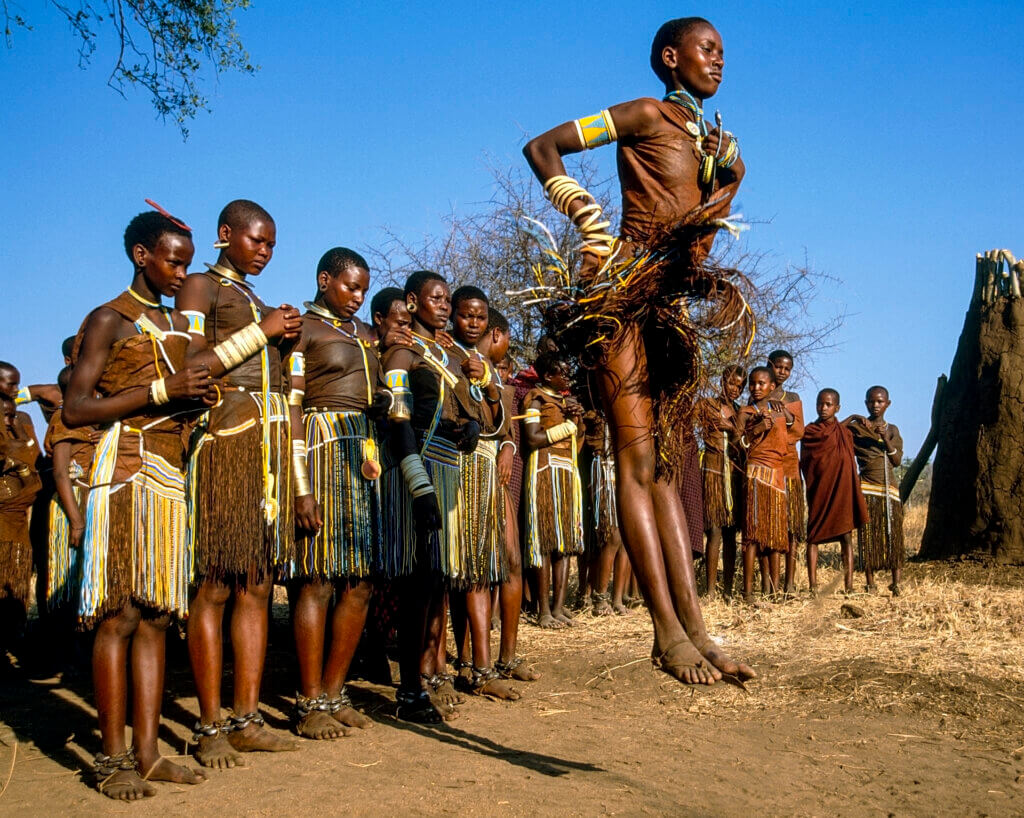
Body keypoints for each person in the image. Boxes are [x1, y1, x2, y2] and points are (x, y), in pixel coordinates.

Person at [522, 16, 754, 682]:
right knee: (635, 464)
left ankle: (698, 632)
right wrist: (591, 228)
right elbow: (543, 147)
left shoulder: (713, 141)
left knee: (660, 474)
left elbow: (733, 175)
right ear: (669, 56)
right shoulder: (646, 113)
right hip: (619, 299)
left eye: (723, 51)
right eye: (707, 49)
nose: (718, 61)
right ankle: (664, 633)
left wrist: (723, 177)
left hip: (665, 306)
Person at [62, 208, 211, 799]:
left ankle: (148, 753)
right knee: (119, 615)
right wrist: (158, 391)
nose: (181, 273)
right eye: (172, 260)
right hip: (123, 472)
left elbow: (182, 394)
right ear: (141, 256)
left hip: (170, 475)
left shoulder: (178, 325)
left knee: (155, 617)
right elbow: (75, 408)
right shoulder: (108, 319)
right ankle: (110, 757)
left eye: (187, 263)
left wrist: (193, 397)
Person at [175, 199, 302, 767]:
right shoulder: (200, 287)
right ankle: (208, 726)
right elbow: (192, 364)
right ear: (225, 234)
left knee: (257, 581)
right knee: (217, 583)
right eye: (257, 241)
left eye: (272, 245)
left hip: (268, 447)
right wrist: (262, 331)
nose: (265, 252)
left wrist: (282, 341)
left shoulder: (251, 298)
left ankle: (246, 718)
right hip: (226, 439)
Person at [287, 248, 387, 739]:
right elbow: (291, 407)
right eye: (350, 287)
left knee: (361, 581)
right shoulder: (303, 329)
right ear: (324, 280)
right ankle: (308, 703)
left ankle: (334, 692)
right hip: (322, 450)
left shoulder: (368, 334)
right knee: (317, 578)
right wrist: (301, 488)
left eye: (364, 290)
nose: (358, 297)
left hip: (364, 457)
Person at [381, 270, 480, 722]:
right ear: (413, 301)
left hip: (447, 468)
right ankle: (409, 692)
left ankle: (424, 680)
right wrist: (417, 486)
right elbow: (398, 421)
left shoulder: (450, 356)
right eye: (434, 298)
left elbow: (458, 411)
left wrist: (470, 427)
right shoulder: (403, 352)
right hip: (415, 466)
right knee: (417, 583)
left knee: (436, 582)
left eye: (446, 299)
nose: (443, 305)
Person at [444, 286, 518, 700]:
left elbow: (500, 423)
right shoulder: (444, 355)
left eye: (480, 317)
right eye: (466, 315)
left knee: (482, 568)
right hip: (453, 469)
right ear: (453, 315)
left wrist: (489, 383)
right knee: (457, 571)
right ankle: (457, 670)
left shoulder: (488, 366)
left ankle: (480, 666)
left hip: (484, 473)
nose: (473, 323)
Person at [478, 308, 539, 681]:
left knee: (511, 561)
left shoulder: (500, 380)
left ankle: (508, 657)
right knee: (474, 571)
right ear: (497, 334)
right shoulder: (460, 362)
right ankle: (474, 662)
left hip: (497, 477)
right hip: (468, 474)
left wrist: (507, 449)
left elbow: (506, 433)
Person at [521, 352, 584, 628]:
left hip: (568, 473)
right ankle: (543, 611)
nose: (568, 376)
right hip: (544, 472)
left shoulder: (568, 403)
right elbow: (533, 438)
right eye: (563, 372)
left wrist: (577, 423)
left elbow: (577, 444)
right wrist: (567, 426)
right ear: (548, 375)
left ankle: (559, 607)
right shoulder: (536, 398)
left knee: (565, 544)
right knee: (545, 542)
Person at [799, 389, 867, 594]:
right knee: (813, 536)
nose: (823, 408)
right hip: (820, 489)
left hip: (843, 490)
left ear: (837, 408)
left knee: (846, 536)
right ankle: (812, 586)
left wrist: (856, 419)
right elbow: (808, 463)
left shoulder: (845, 433)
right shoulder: (810, 432)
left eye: (828, 404)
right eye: (820, 404)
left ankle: (849, 585)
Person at [736, 367, 792, 600]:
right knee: (753, 534)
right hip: (756, 473)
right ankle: (748, 592)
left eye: (761, 384)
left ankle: (773, 590)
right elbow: (737, 443)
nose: (756, 388)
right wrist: (756, 430)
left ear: (772, 387)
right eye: (753, 384)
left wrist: (785, 416)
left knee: (775, 534)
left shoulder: (780, 413)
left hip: (777, 474)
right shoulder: (746, 412)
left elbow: (792, 432)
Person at [44, 365, 95, 611]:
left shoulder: (89, 418)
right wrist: (76, 521)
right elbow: (61, 472)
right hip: (73, 503)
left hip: (88, 499)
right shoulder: (64, 417)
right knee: (70, 583)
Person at [846, 386, 904, 596]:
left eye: (880, 401)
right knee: (868, 535)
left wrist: (885, 439)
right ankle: (870, 583)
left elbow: (896, 461)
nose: (875, 405)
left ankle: (896, 582)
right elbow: (836, 431)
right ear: (866, 404)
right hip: (868, 487)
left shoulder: (893, 429)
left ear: (888, 404)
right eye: (871, 402)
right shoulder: (857, 429)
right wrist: (853, 417)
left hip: (890, 489)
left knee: (894, 535)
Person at [697, 365, 745, 599]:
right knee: (714, 530)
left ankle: (727, 589)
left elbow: (742, 440)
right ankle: (709, 591)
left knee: (730, 533)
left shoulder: (741, 412)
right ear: (722, 381)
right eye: (731, 383)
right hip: (713, 469)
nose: (734, 389)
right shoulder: (707, 404)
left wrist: (732, 426)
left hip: (734, 473)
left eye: (739, 386)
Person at [0, 392, 42, 653]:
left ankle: (6, 646)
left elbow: (33, 486)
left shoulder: (19, 440)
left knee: (14, 589)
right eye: (5, 416)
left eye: (13, 416)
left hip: (15, 531)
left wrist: (19, 463)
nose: (9, 421)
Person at [767, 350, 805, 595]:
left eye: (787, 368)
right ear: (769, 365)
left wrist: (787, 414)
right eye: (779, 367)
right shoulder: (759, 391)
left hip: (790, 465)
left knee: (791, 527)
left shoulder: (792, 397)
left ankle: (790, 584)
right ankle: (771, 584)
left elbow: (798, 431)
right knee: (771, 527)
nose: (782, 372)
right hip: (768, 466)